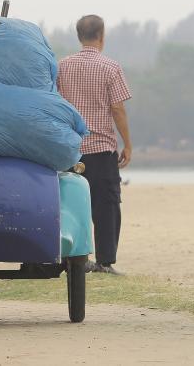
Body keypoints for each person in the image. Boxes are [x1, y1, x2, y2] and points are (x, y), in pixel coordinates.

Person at [57, 14, 133, 275]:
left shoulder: (62, 66)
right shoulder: (110, 67)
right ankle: (104, 261)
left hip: (70, 150)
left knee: (70, 204)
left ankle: (74, 259)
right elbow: (117, 108)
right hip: (101, 148)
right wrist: (128, 144)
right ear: (102, 36)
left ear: (79, 37)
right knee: (106, 205)